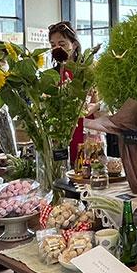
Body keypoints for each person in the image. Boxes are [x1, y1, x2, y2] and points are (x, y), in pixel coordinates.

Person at [47, 21, 93, 167]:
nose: (57, 48)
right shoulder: (51, 75)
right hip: (62, 134)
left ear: (74, 45)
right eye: (53, 45)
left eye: (62, 44)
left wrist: (86, 108)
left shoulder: (86, 71)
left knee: (85, 168)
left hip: (85, 130)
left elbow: (98, 102)